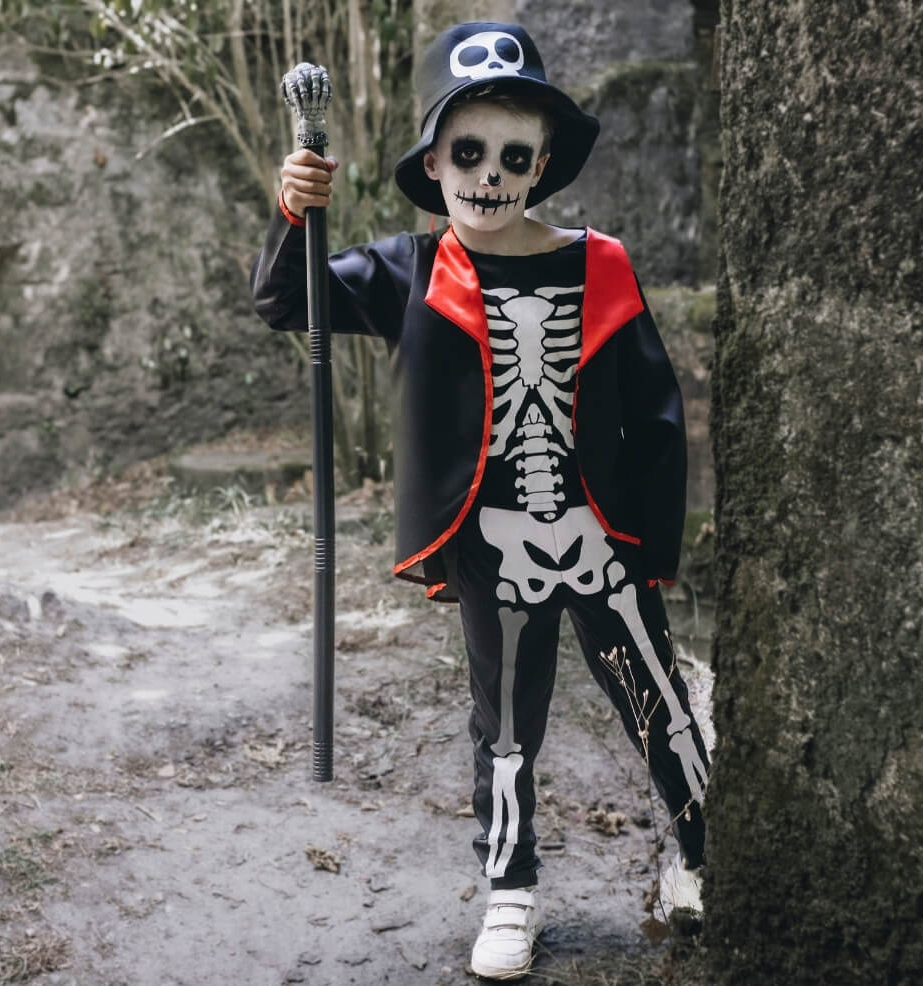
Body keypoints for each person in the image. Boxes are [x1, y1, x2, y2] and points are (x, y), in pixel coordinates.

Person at [251, 21, 710, 981]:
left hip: (601, 532)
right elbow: (289, 302)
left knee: (652, 692)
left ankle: (703, 850)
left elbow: (661, 415)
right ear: (434, 160)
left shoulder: (604, 264)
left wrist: (651, 544)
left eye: (512, 154)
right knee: (504, 722)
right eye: (468, 152)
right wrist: (294, 217)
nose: (489, 174)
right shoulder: (409, 271)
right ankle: (510, 888)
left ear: (542, 163)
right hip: (490, 540)